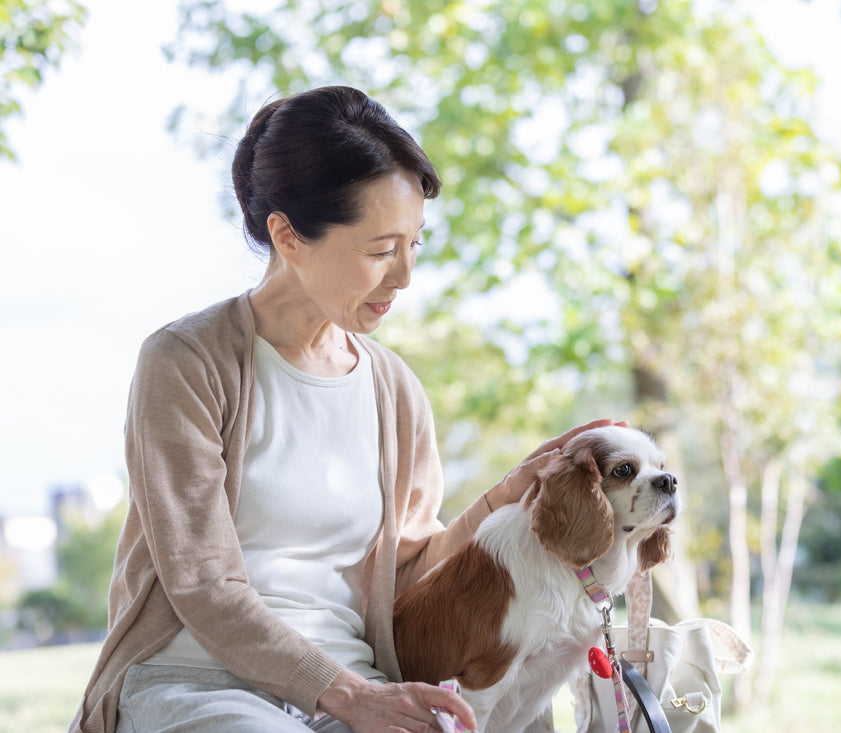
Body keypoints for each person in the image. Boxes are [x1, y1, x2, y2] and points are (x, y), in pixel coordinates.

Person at [70, 85, 616, 733]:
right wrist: (349, 697)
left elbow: (404, 570)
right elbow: (202, 583)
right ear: (288, 236)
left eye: (416, 244)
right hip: (199, 682)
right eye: (382, 250)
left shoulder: (394, 389)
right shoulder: (186, 362)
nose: (405, 275)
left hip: (356, 687)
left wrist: (505, 496)